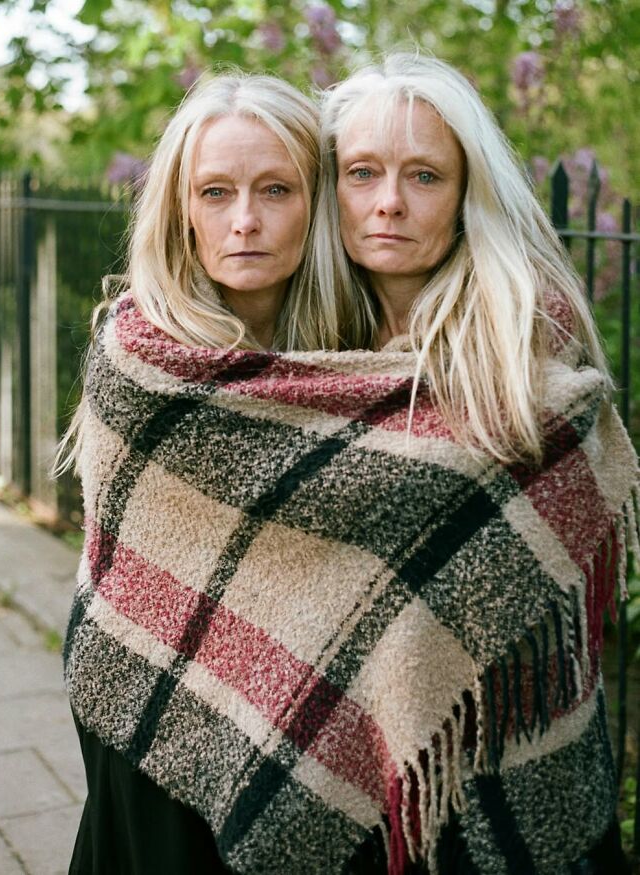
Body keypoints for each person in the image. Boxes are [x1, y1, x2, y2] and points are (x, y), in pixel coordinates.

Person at [304, 52, 636, 872]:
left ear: (464, 194)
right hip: (344, 748)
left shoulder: (528, 344)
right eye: (362, 172)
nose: (389, 201)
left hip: (502, 741)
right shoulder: (303, 343)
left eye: (424, 175)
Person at [59, 70, 333, 873]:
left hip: (308, 709)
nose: (245, 220)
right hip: (149, 683)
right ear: (181, 207)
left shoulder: (356, 360)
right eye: (216, 192)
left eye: (275, 189)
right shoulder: (139, 359)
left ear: (315, 200)